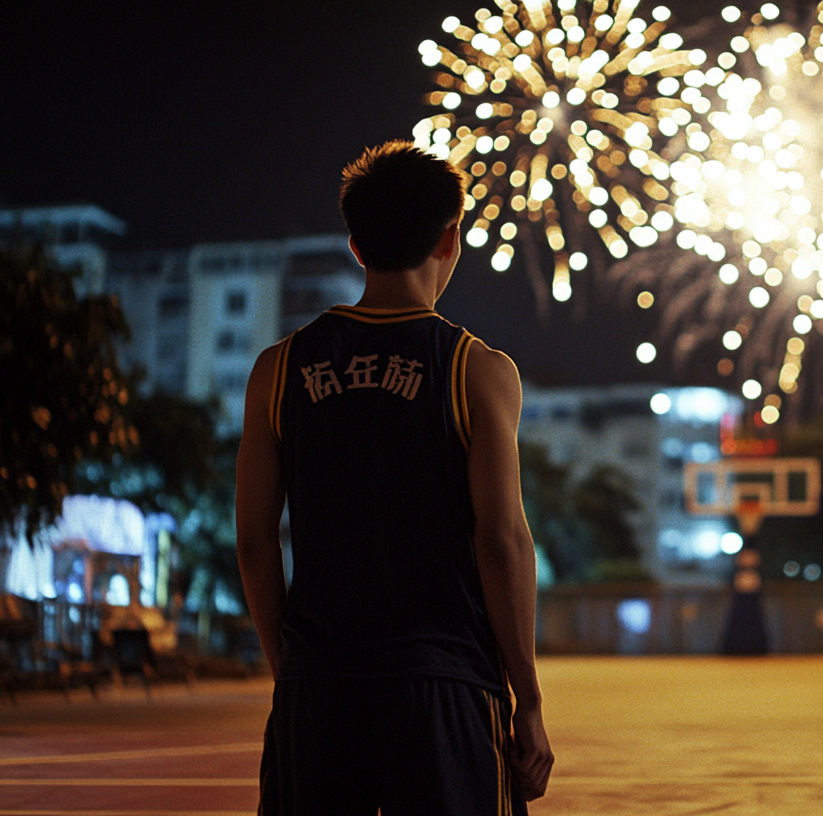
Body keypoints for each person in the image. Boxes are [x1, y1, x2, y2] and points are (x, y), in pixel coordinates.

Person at [236, 140, 552, 814]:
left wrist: (289, 669)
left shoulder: (279, 368)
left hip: (317, 687)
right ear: (449, 237)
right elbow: (502, 540)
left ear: (356, 246)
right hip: (445, 686)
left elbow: (255, 543)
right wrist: (528, 697)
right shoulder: (477, 368)